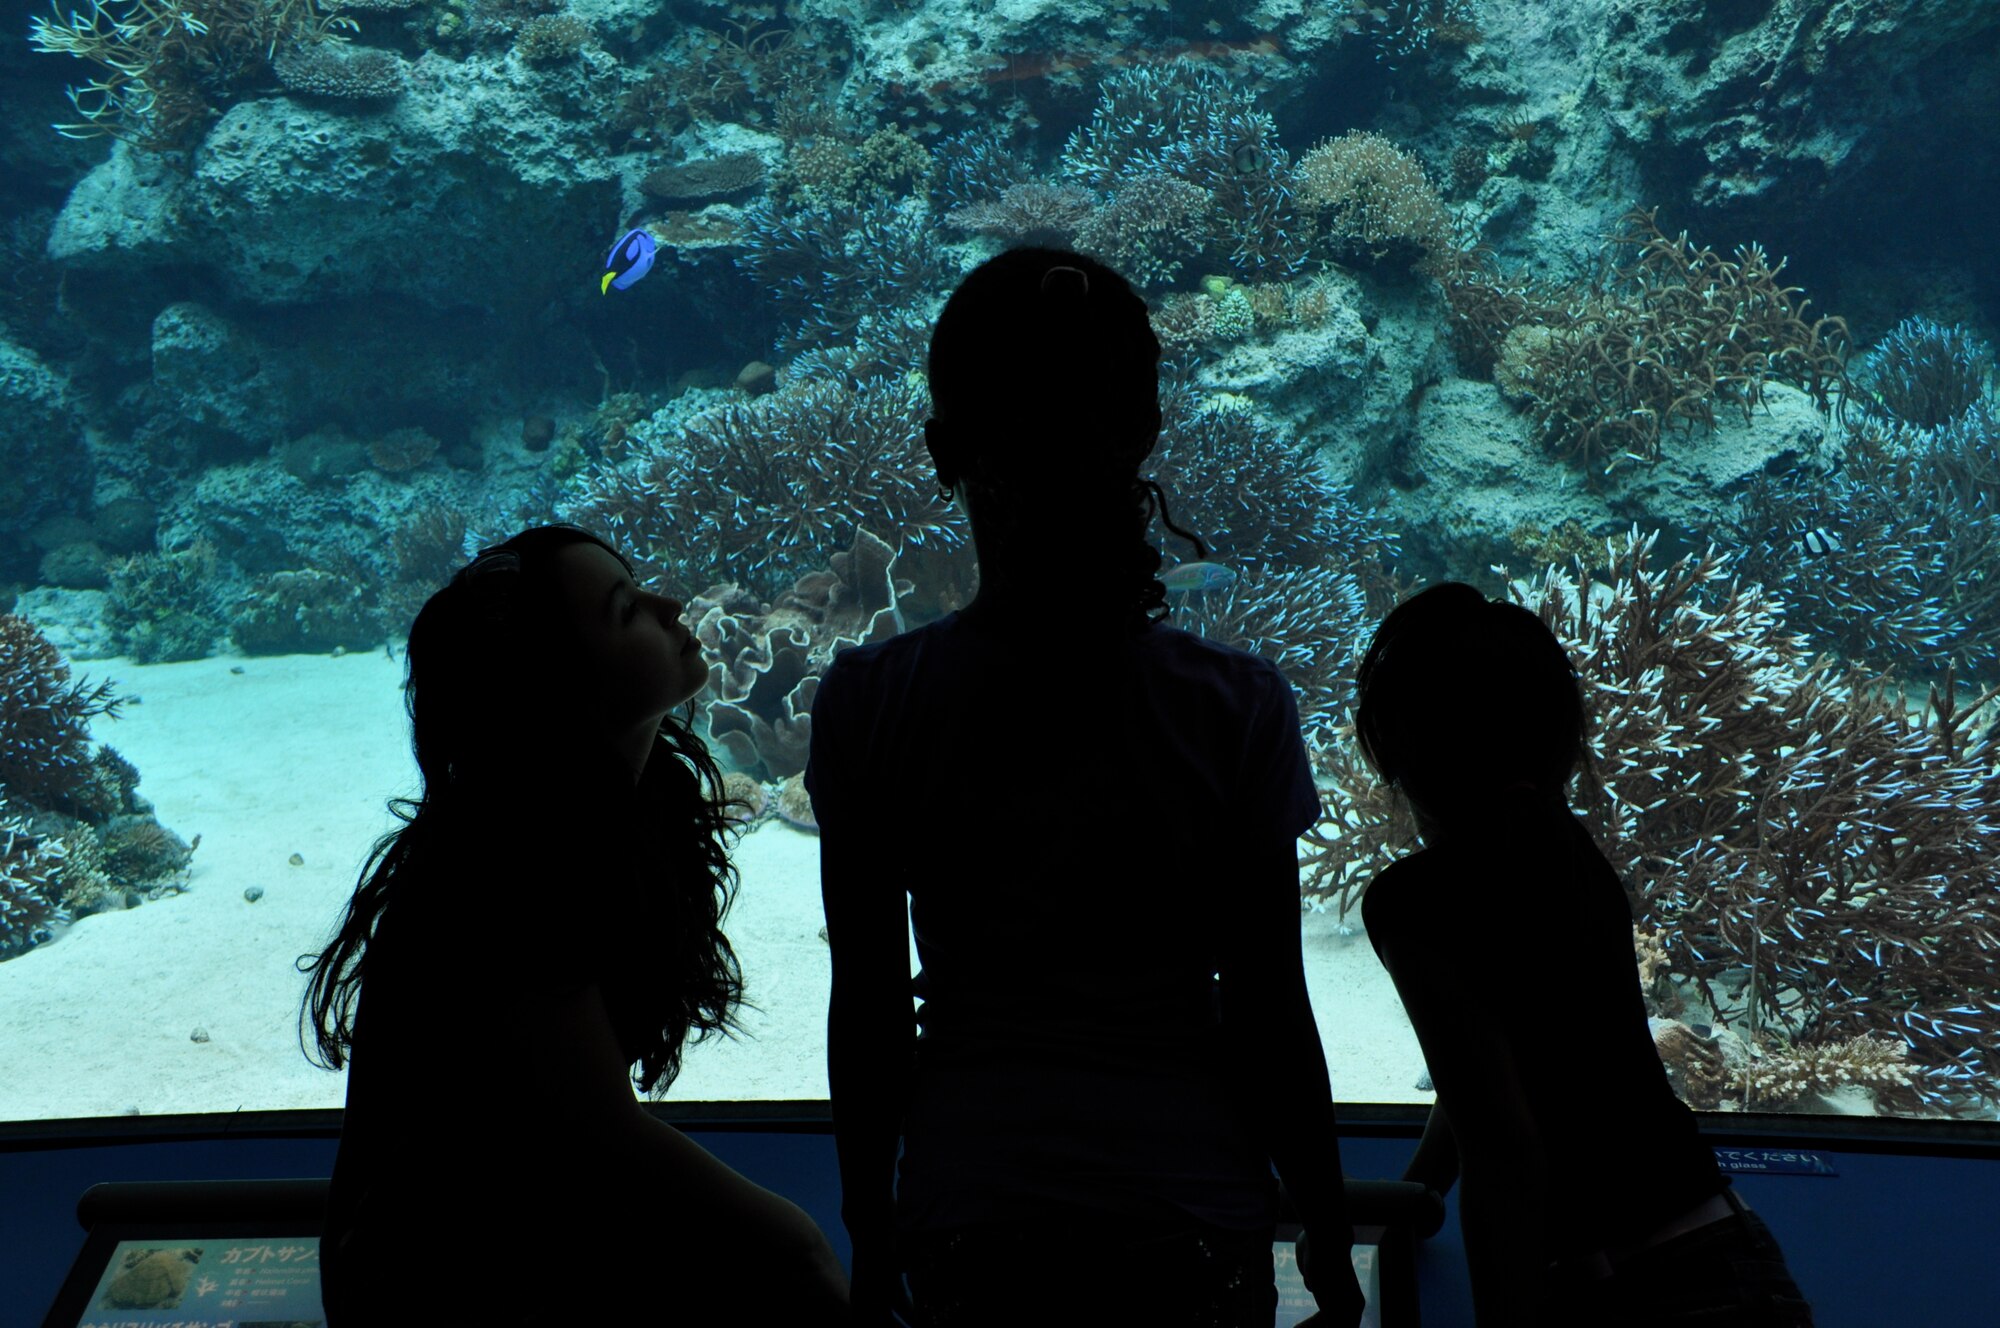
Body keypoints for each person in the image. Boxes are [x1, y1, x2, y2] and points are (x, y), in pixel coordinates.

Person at [804, 247, 1368, 1328]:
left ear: (940, 452)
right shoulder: (1233, 704)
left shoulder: (871, 700)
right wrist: (1330, 1233)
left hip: (971, 1222)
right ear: (1146, 432)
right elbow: (1267, 1012)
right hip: (1193, 1220)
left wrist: (871, 1239)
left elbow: (869, 1013)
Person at [298, 524, 849, 1325]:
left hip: (527, 1230)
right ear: (558, 684)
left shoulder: (618, 813)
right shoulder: (507, 868)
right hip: (441, 1280)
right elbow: (598, 1133)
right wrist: (797, 1241)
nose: (667, 604)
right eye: (626, 610)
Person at [1351, 581, 1816, 1326]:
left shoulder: (1412, 902)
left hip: (1625, 1288)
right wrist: (1420, 1196)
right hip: (1732, 1249)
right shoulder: (1568, 853)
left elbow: (1502, 1146)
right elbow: (1501, 1064)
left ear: (1405, 749)